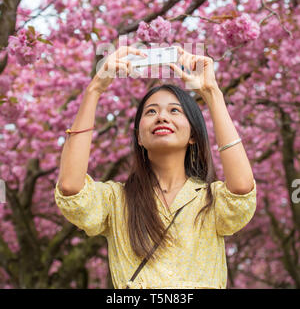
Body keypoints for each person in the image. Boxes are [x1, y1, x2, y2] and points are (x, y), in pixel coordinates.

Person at [54, 44, 256, 289]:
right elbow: (70, 187)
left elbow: (242, 188)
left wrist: (212, 92)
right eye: (151, 112)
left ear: (193, 134)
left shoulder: (211, 200)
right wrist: (95, 89)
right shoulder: (116, 200)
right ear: (139, 136)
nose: (162, 117)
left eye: (174, 111)